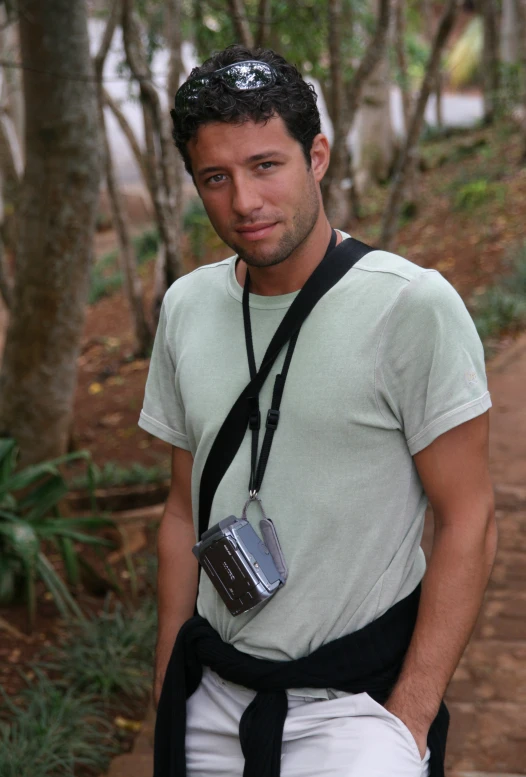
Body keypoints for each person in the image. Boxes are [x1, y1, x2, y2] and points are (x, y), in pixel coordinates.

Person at [138, 44, 497, 777]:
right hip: (210, 699)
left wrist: (410, 718)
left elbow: (469, 518)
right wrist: (168, 678)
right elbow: (182, 508)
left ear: (318, 156)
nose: (244, 201)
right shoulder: (185, 308)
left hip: (355, 714)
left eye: (266, 165)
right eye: (216, 177)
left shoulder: (411, 307)